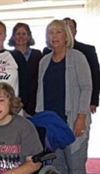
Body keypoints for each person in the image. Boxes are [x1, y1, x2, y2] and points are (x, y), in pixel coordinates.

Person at [36, 19, 92, 174]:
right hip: (51, 125)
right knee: (57, 168)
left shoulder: (78, 57)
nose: (54, 36)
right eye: (50, 32)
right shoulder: (44, 61)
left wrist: (81, 118)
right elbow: (40, 91)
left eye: (58, 32)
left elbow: (87, 88)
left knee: (75, 167)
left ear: (66, 36)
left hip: (73, 121)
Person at [64, 18, 99, 114]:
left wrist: (93, 101)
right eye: (64, 27)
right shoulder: (49, 52)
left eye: (70, 27)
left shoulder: (87, 50)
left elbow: (95, 75)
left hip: (81, 99)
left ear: (75, 31)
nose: (67, 30)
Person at [8, 23, 42, 115]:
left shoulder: (37, 54)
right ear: (13, 37)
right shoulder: (8, 56)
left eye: (24, 34)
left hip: (34, 100)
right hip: (14, 100)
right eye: (18, 34)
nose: (21, 37)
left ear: (29, 37)